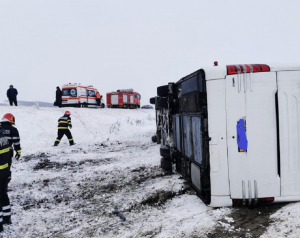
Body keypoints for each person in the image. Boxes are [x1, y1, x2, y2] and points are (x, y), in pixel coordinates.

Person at [0, 113, 21, 227]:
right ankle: (7, 218)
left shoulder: (1, 129)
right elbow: (16, 142)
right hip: (6, 158)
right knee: (3, 190)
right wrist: (18, 151)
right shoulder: (13, 129)